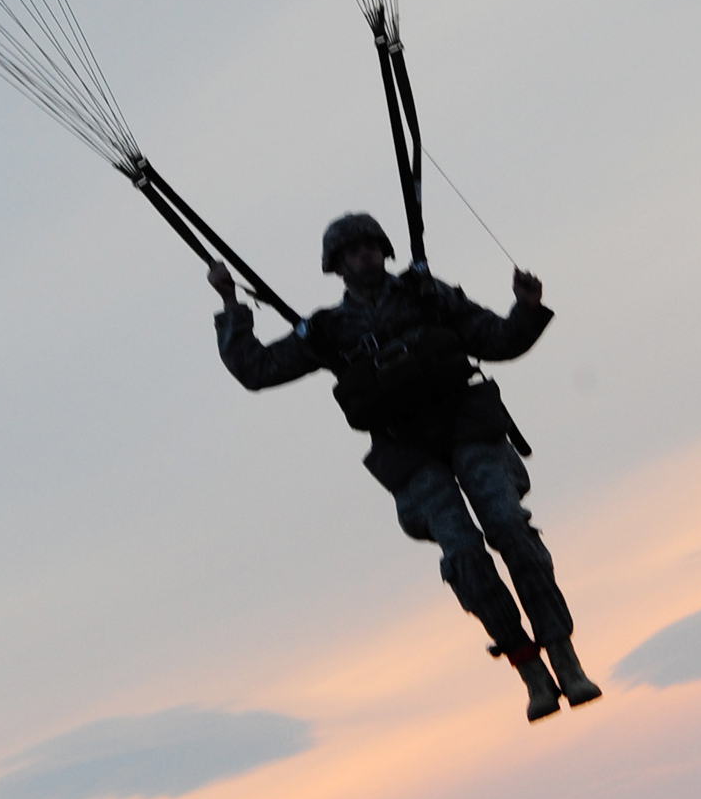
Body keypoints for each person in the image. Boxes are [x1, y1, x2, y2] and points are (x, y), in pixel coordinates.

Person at [207, 212, 601, 723]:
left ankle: (564, 658)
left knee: (508, 526)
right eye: (353, 251)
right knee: (463, 552)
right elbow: (255, 371)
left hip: (467, 427)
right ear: (337, 265)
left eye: (371, 246)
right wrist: (230, 303)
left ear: (385, 251)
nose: (364, 256)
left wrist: (525, 309)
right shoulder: (328, 330)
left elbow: (498, 340)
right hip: (409, 451)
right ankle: (529, 670)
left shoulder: (427, 295)